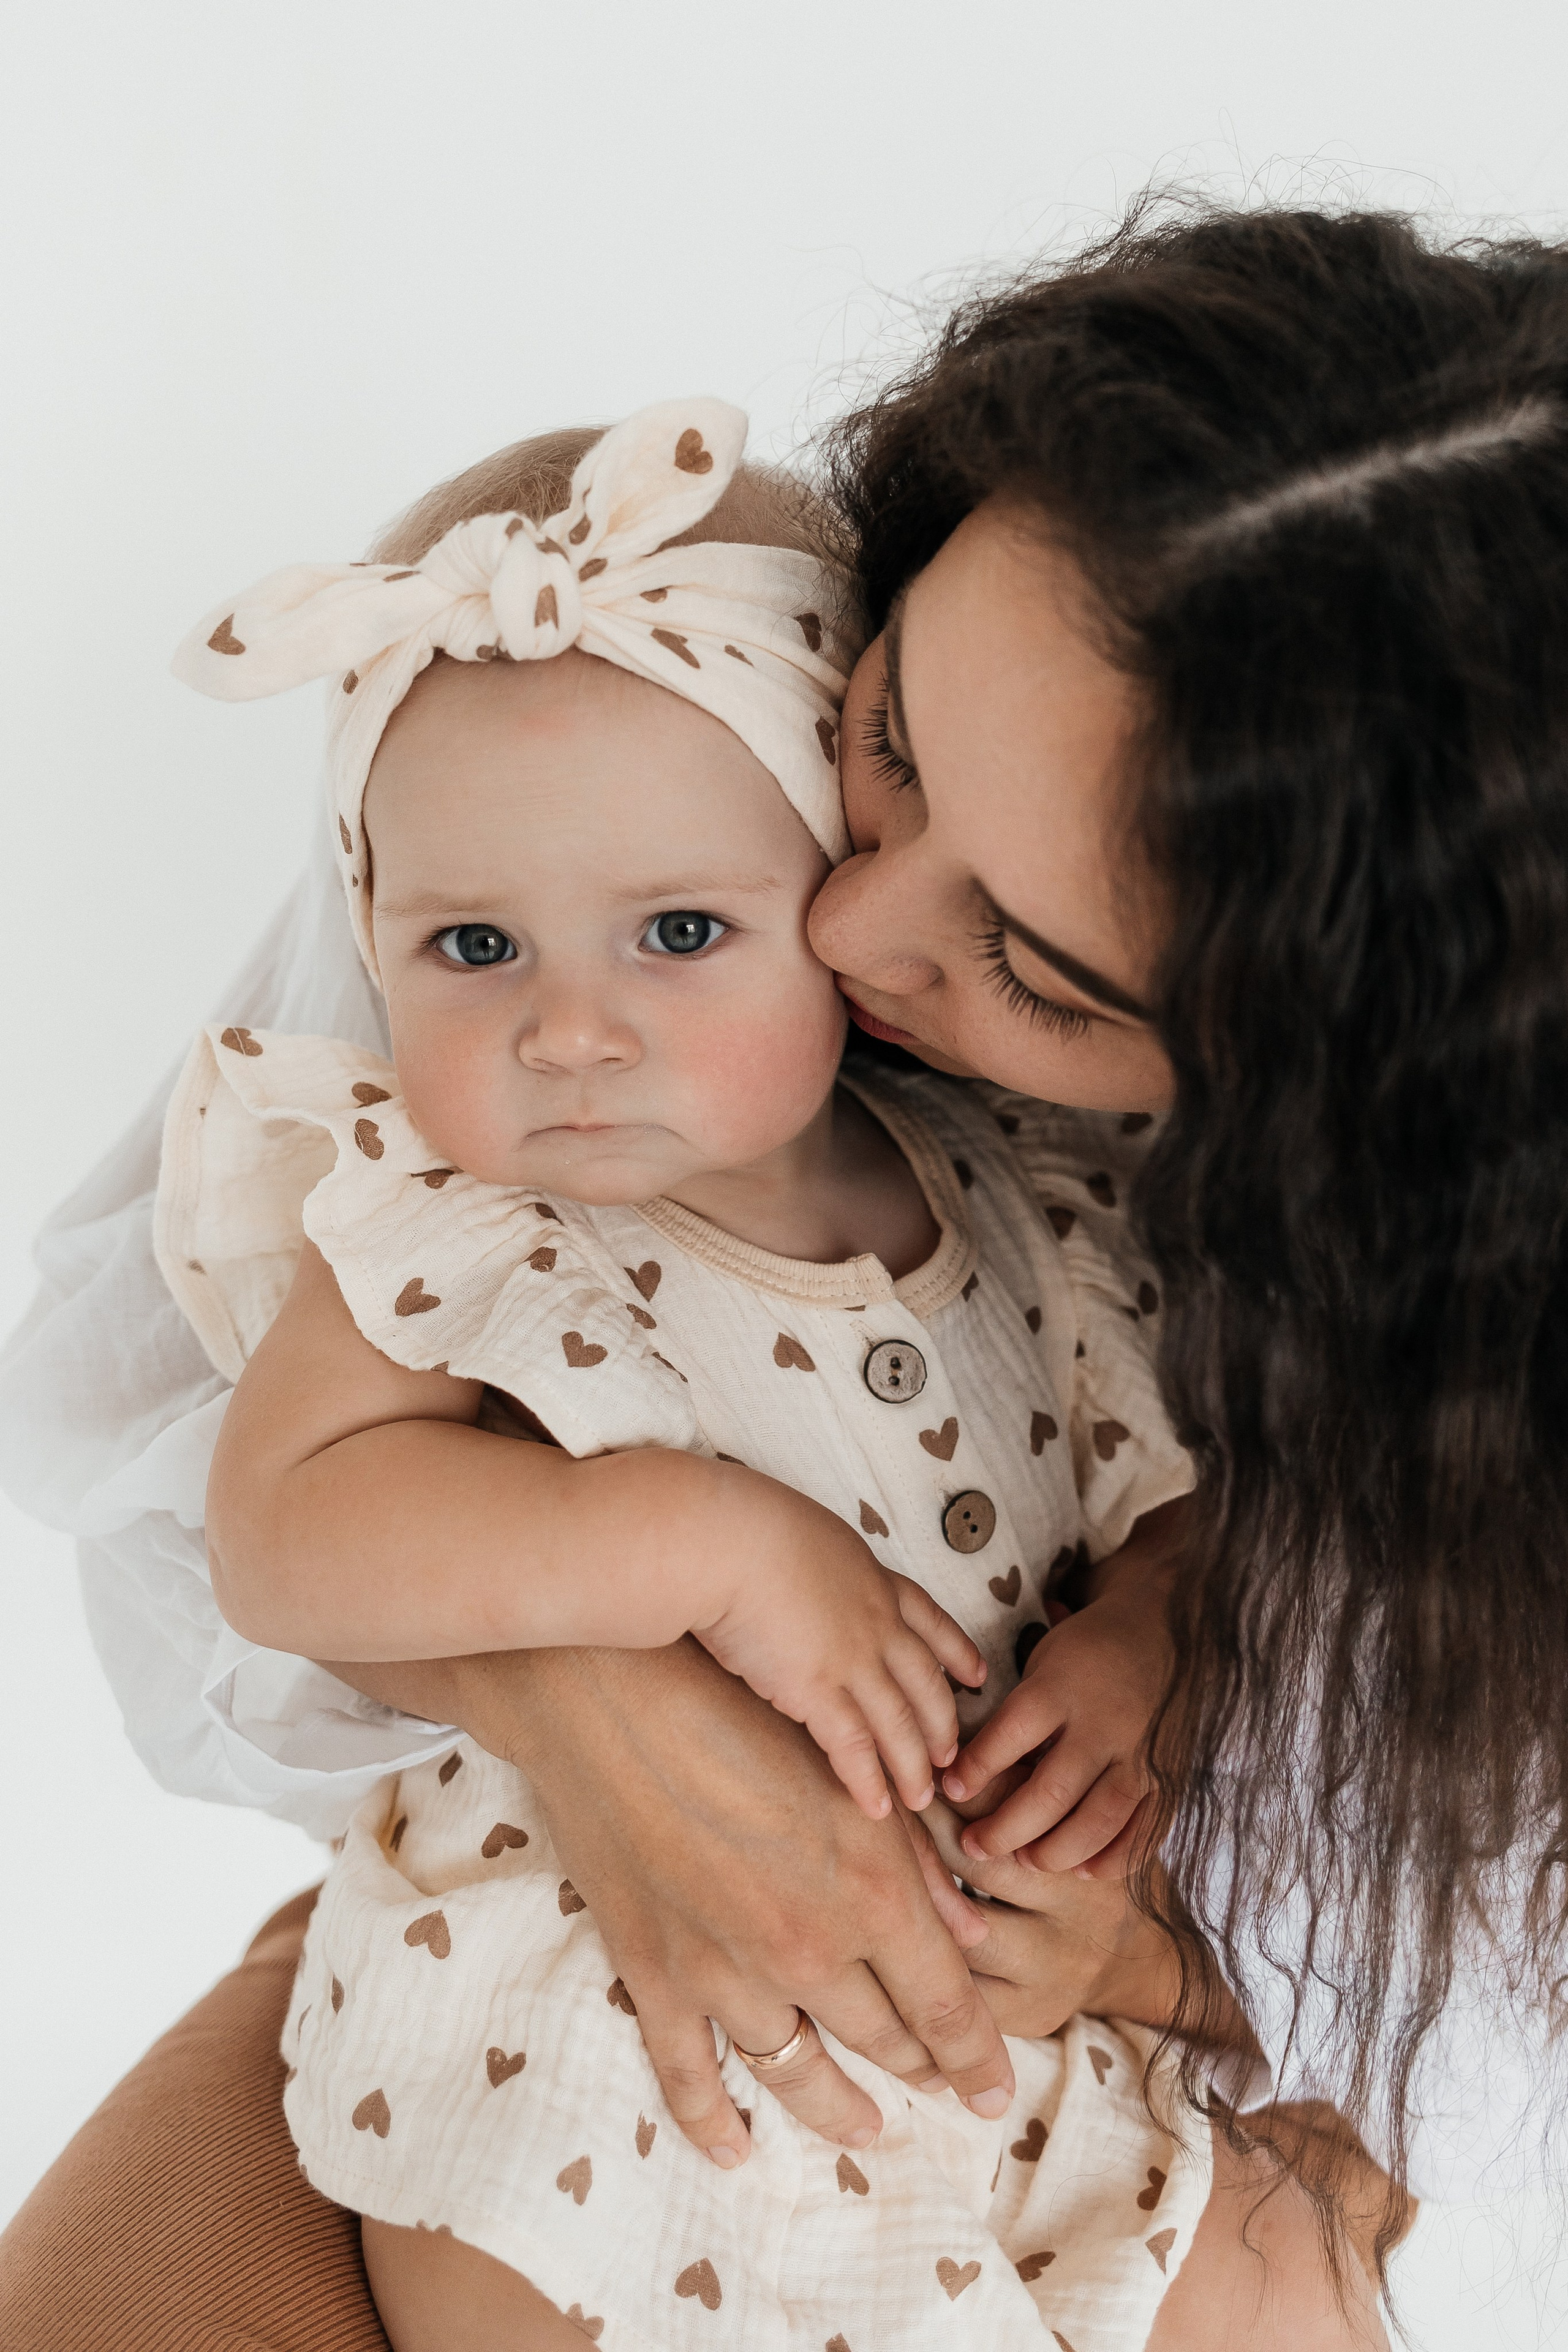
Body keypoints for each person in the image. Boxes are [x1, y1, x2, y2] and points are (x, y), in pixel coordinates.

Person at [18, 192, 1555, 2350]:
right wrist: (601, 1684)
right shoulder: (582, 846)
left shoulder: (1118, 1224)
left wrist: (1163, 1769)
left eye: (1032, 963)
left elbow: (1465, 2036)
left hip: (1124, 2030)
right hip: (605, 2034)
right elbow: (225, 1504)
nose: (840, 925)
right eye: (889, 742)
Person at [156, 396, 1210, 2352]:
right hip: (610, 2049)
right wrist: (704, 1542)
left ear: (835, 905)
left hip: (1001, 2041)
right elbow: (280, 1530)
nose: (570, 1032)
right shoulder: (456, 1223)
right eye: (473, 945)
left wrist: (1155, 1621)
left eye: (680, 931)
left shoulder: (1022, 1193)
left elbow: (1164, 1479)